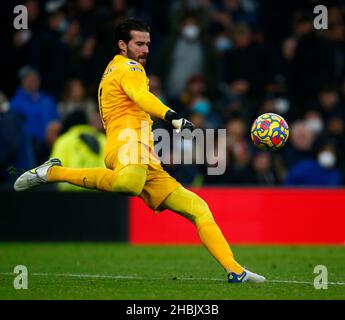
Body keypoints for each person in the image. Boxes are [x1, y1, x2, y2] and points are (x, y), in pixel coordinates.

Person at [14, 18, 265, 284]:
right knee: (130, 185)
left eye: (147, 44)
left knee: (198, 208)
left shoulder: (113, 69)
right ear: (122, 45)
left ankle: (234, 270)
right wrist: (172, 116)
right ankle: (55, 172)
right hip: (127, 144)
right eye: (139, 44)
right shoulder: (130, 67)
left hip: (143, 153)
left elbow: (135, 98)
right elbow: (141, 96)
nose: (145, 50)